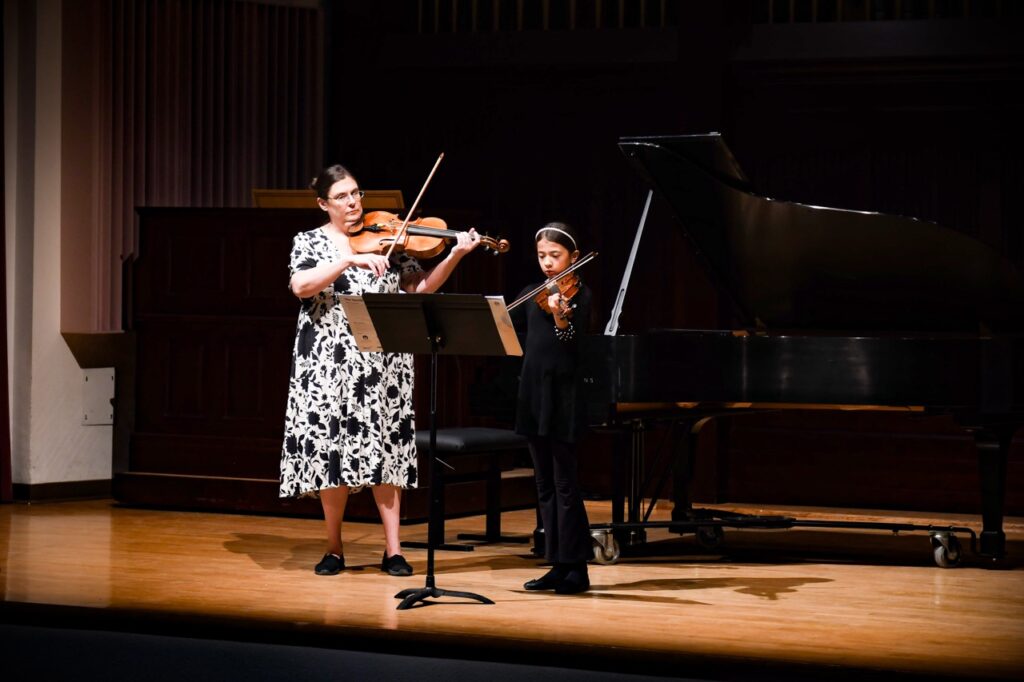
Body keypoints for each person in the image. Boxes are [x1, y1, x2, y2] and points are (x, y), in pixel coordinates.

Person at [280, 164, 481, 577]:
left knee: (385, 450)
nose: (353, 203)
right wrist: (349, 260)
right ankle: (334, 547)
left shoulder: (390, 241)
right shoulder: (310, 242)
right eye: (342, 197)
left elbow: (420, 289)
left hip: (381, 364)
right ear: (323, 204)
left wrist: (456, 254)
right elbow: (301, 287)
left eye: (356, 193)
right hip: (327, 363)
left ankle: (394, 550)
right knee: (330, 451)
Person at [510, 222, 592, 594]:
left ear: (573, 258)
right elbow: (504, 328)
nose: (547, 263)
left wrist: (561, 315)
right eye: (542, 255)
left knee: (564, 484)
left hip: (563, 397)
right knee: (543, 484)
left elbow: (570, 340)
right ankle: (555, 562)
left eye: (555, 256)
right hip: (533, 395)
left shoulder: (580, 296)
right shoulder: (530, 293)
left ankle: (576, 567)